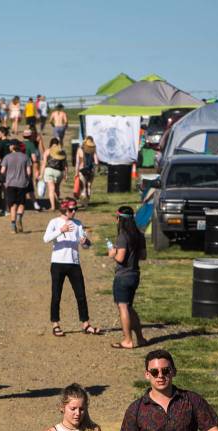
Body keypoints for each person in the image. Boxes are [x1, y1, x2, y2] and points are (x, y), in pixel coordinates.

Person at [43, 200, 102, 337]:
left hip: (74, 263)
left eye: (75, 209)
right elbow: (45, 239)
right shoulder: (54, 222)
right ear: (64, 210)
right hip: (58, 263)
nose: (74, 211)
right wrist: (60, 230)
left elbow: (86, 245)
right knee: (56, 294)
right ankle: (55, 324)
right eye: (71, 209)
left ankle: (86, 324)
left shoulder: (78, 224)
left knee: (81, 294)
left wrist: (85, 242)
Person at [108, 206, 148, 349]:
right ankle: (140, 338)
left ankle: (128, 340)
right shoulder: (139, 235)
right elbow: (143, 256)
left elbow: (120, 258)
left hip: (123, 276)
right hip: (135, 274)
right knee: (129, 307)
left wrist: (113, 253)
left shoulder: (123, 236)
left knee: (123, 307)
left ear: (119, 219)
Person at [1, 139, 31, 233]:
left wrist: (5, 179)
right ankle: (19, 217)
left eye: (10, 145)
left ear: (12, 146)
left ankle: (13, 225)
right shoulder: (25, 157)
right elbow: (29, 172)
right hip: (22, 184)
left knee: (12, 205)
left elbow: (2, 171)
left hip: (10, 184)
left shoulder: (7, 157)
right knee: (21, 203)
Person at [42, 139, 67, 212]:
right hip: (59, 172)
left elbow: (44, 163)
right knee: (56, 188)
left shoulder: (47, 151)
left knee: (51, 189)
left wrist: (41, 174)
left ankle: (53, 206)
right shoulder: (62, 152)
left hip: (49, 171)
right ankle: (57, 203)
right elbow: (65, 165)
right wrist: (66, 174)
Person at [74, 136, 99, 203]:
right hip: (91, 170)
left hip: (82, 170)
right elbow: (96, 161)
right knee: (89, 185)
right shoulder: (93, 149)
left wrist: (76, 172)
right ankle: (88, 200)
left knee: (83, 187)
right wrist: (97, 167)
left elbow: (77, 162)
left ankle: (84, 201)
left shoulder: (79, 149)